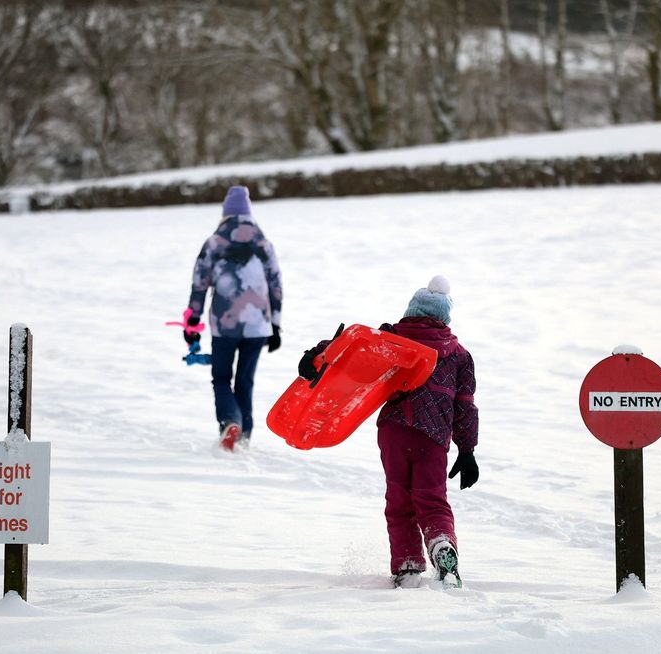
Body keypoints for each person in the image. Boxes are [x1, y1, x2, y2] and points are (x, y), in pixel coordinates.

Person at [298, 276, 479, 588]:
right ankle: (441, 546)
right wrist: (467, 450)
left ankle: (408, 566)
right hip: (433, 438)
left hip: (394, 432)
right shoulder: (460, 355)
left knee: (399, 501)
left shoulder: (392, 338)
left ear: (411, 310)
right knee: (432, 501)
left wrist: (316, 355)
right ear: (444, 318)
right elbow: (465, 406)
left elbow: (351, 349)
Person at [185, 185, 283, 451]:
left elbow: (199, 284)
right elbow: (276, 284)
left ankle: (230, 422)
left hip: (225, 324)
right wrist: (276, 325)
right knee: (245, 380)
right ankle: (245, 435)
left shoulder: (215, 243)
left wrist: (191, 323)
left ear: (226, 215)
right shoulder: (264, 244)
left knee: (221, 378)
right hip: (258, 324)